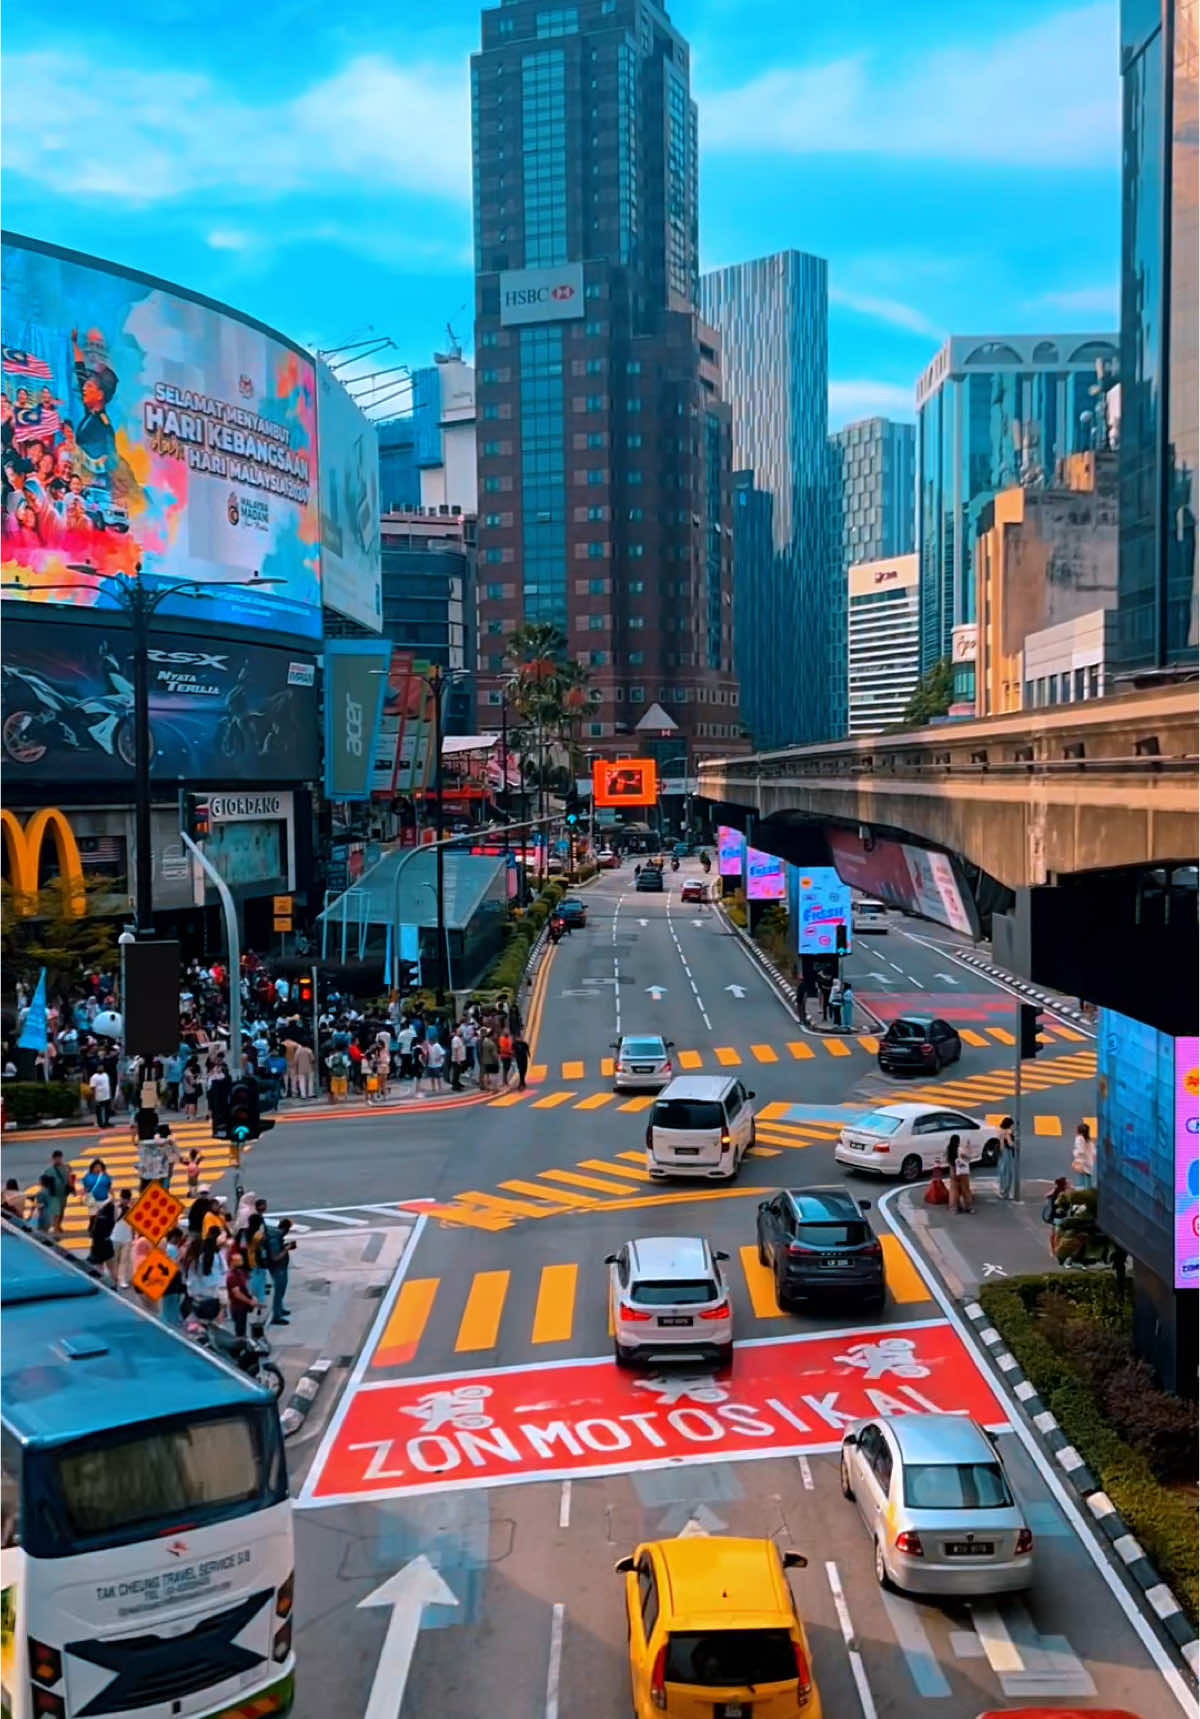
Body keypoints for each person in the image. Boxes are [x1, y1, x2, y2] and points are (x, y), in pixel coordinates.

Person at [264, 1216, 296, 1325]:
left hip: (281, 1267)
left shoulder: (277, 1237)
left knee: (281, 1289)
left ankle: (280, 1310)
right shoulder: (274, 1239)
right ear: (286, 1229)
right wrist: (287, 1248)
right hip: (278, 1267)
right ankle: (276, 1316)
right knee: (278, 1291)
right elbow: (275, 1257)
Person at [225, 1247, 257, 1338]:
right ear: (231, 1262)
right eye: (238, 1260)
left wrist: (252, 1296)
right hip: (237, 1307)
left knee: (242, 1328)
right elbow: (237, 1293)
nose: (241, 1262)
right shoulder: (231, 1276)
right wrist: (249, 1301)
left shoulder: (240, 1272)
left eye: (241, 1260)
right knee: (240, 1330)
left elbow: (247, 1286)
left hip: (243, 1306)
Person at [44, 1150, 72, 1237]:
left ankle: (58, 1225)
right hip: (54, 1194)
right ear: (53, 1159)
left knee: (62, 1210)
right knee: (56, 1211)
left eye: (59, 1158)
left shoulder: (65, 1168)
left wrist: (72, 1188)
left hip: (63, 1193)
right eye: (56, 1158)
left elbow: (69, 1179)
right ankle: (55, 1227)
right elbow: (44, 1182)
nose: (58, 1160)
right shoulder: (49, 1170)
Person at [997, 1116, 1018, 1199]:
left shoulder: (1000, 1131)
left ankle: (1001, 1190)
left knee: (1002, 1172)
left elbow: (1001, 1144)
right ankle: (1006, 1192)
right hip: (1007, 1152)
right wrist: (1015, 1142)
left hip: (1002, 1153)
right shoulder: (1007, 1133)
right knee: (1009, 1173)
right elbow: (1010, 1144)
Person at [1072, 1120, 1096, 1190]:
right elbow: (1094, 1152)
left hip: (1081, 1163)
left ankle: (1081, 1196)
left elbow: (1080, 1151)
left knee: (1080, 1182)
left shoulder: (1079, 1139)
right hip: (1089, 1163)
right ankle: (1088, 1195)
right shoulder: (1089, 1141)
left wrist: (1074, 1152)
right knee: (1088, 1182)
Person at [90, 1063, 113, 1128]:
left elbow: (108, 1085)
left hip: (107, 1096)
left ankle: (106, 1122)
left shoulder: (106, 1075)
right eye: (99, 1067)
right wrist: (94, 1097)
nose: (101, 1068)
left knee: (107, 1110)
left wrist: (110, 1095)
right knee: (99, 1112)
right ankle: (101, 1124)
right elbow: (92, 1087)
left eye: (102, 1067)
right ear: (97, 1069)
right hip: (99, 1097)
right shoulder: (94, 1077)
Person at [945, 1134, 962, 1213]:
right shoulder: (958, 1149)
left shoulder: (948, 1148)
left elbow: (948, 1159)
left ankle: (952, 1206)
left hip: (952, 1169)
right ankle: (957, 1205)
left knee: (953, 1188)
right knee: (958, 1188)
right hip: (958, 1169)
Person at [449, 1026, 466, 1091]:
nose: (461, 1031)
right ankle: (455, 1086)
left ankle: (457, 1083)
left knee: (458, 1072)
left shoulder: (459, 1038)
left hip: (460, 1058)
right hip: (457, 1059)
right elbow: (456, 1050)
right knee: (456, 1072)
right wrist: (458, 1059)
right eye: (459, 1030)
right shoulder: (455, 1039)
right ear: (456, 1032)